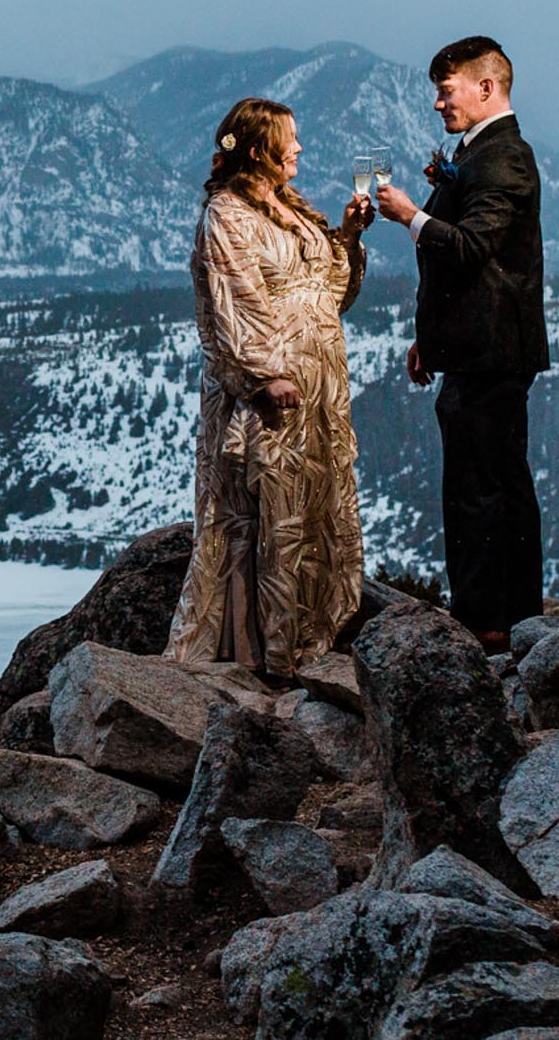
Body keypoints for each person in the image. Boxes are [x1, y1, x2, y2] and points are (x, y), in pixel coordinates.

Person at [164, 96, 373, 681]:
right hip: (271, 394)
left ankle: (314, 635)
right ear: (258, 150)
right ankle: (264, 652)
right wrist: (263, 375)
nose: (301, 148)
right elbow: (235, 300)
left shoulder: (286, 207)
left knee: (313, 509)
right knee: (269, 514)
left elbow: (329, 291)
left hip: (319, 389)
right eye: (290, 139)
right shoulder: (228, 215)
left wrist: (349, 237)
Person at [373, 36, 548, 650]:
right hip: (474, 350)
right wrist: (431, 339)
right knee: (490, 481)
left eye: (446, 91)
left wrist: (407, 216)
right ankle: (507, 614)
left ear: (485, 87)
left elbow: (471, 248)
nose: (438, 104)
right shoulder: (477, 154)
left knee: (483, 490)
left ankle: (491, 622)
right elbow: (464, 268)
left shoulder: (504, 158)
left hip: (493, 353)